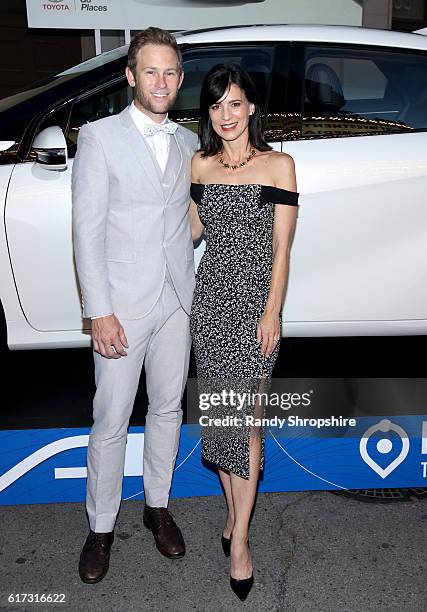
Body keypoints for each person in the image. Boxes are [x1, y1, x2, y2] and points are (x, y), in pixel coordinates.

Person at [72, 27, 198, 584]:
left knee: (168, 408)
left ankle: (157, 507)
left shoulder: (192, 141)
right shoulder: (99, 137)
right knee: (112, 419)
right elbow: (86, 231)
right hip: (121, 305)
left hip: (177, 297)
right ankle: (100, 529)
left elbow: (182, 222)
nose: (162, 81)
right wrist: (98, 310)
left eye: (170, 71)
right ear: (130, 76)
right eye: (151, 71)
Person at [189, 63, 299, 601]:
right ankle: (233, 515)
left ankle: (241, 543)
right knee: (222, 424)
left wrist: (273, 312)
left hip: (255, 308)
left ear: (251, 106)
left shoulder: (279, 165)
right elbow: (186, 231)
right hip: (210, 307)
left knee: (247, 424)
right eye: (216, 106)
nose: (226, 116)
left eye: (235, 104)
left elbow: (282, 250)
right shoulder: (201, 164)